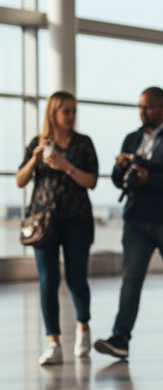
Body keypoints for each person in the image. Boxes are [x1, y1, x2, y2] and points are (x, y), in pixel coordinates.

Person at [93, 87, 163, 360]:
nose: (143, 112)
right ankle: (120, 338)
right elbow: (120, 182)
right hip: (136, 220)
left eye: (148, 107)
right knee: (130, 281)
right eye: (140, 106)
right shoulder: (131, 138)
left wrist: (148, 177)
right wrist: (119, 168)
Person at [16, 92, 98, 366]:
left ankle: (83, 326)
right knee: (47, 281)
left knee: (76, 279)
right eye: (66, 111)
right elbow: (20, 180)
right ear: (53, 113)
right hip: (44, 221)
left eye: (74, 110)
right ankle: (53, 342)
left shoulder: (84, 144)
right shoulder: (37, 144)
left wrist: (66, 166)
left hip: (77, 219)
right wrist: (35, 159)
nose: (72, 116)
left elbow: (91, 181)